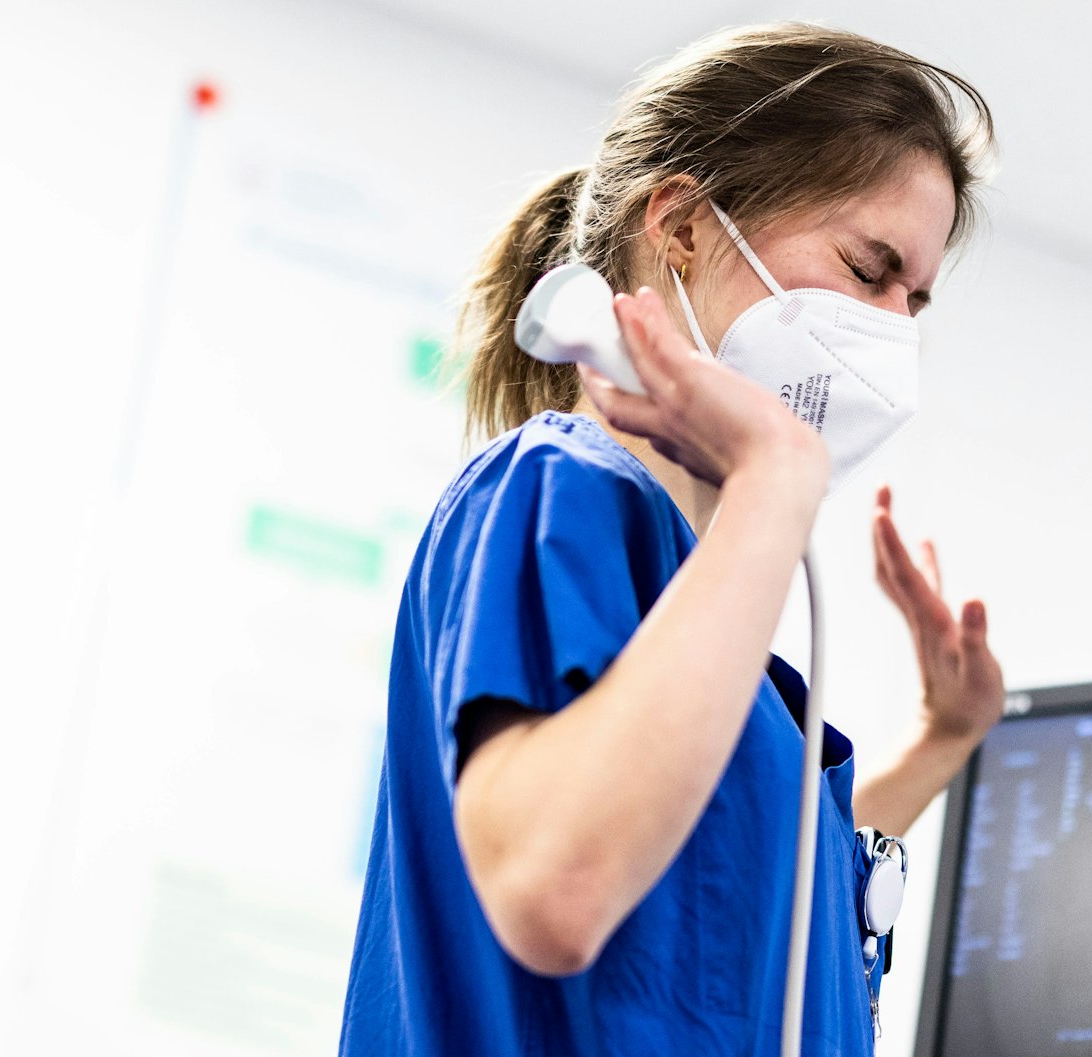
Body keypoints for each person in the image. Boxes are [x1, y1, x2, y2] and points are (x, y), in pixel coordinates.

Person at [337, 21, 1004, 1057]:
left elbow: (738, 887)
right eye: (867, 269)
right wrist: (776, 478)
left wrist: (943, 736)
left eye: (911, 301)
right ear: (684, 226)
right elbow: (559, 884)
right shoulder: (554, 491)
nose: (892, 329)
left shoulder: (702, 616)